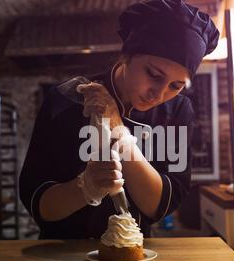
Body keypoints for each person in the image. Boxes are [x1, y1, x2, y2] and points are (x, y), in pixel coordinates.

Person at [19, 0, 219, 239]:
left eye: (175, 86)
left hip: (133, 254)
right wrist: (85, 188)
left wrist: (119, 133)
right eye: (153, 74)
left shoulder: (176, 112)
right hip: (62, 253)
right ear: (126, 55)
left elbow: (160, 205)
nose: (159, 93)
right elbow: (38, 204)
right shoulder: (67, 100)